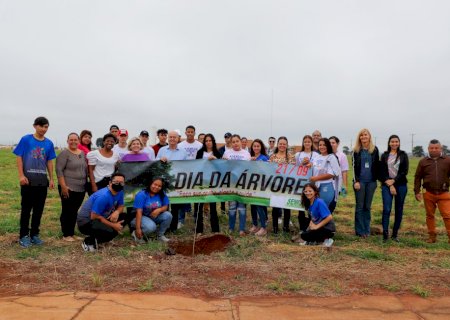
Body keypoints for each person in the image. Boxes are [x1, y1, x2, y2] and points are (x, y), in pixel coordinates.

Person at [13, 116, 56, 248]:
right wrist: (21, 175)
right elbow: (19, 157)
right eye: (41, 126)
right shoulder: (26, 139)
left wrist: (51, 178)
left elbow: (49, 161)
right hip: (28, 181)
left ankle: (34, 235)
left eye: (46, 127)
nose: (43, 129)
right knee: (26, 209)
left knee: (39, 210)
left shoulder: (49, 143)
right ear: (35, 126)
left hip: (42, 181)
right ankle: (23, 236)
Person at [77, 173, 126, 252]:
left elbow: (121, 206)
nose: (119, 184)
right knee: (110, 232)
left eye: (121, 182)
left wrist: (116, 212)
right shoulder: (103, 196)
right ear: (110, 183)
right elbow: (94, 216)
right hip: (86, 222)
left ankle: (101, 237)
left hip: (101, 217)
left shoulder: (120, 192)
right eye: (116, 182)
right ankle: (88, 241)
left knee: (124, 217)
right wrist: (113, 225)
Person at [414, 139, 450, 244]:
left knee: (447, 216)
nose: (434, 150)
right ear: (428, 149)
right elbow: (417, 177)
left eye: (436, 148)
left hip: (444, 193)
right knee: (430, 215)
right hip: (428, 193)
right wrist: (417, 191)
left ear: (440, 148)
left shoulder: (447, 160)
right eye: (431, 148)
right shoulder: (423, 161)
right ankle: (432, 237)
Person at [56, 133, 87, 242]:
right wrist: (63, 186)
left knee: (74, 211)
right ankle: (66, 234)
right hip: (68, 187)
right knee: (67, 210)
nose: (73, 141)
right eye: (71, 140)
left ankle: (71, 233)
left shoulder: (82, 153)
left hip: (81, 188)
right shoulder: (64, 153)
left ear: (79, 141)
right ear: (67, 141)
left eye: (75, 139)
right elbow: (59, 171)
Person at [156, 130, 188, 232]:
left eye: (174, 137)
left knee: (175, 206)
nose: (172, 139)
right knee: (164, 205)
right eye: (170, 137)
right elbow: (155, 163)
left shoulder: (183, 151)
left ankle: (173, 228)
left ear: (178, 138)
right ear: (168, 138)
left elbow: (187, 167)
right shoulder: (162, 150)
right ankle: (164, 227)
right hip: (164, 182)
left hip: (177, 182)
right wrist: (160, 161)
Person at [379, 135, 409, 242]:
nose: (394, 143)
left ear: (399, 143)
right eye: (392, 142)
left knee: (399, 209)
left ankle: (395, 234)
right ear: (389, 143)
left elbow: (404, 171)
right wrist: (390, 184)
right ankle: (385, 234)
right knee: (387, 209)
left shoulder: (403, 155)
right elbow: (381, 171)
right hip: (387, 184)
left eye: (396, 142)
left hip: (401, 185)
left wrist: (395, 181)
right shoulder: (384, 155)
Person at [352, 128, 380, 238]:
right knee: (360, 207)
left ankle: (366, 230)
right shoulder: (356, 150)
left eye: (366, 135)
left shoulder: (375, 149)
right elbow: (354, 167)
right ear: (359, 137)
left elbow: (377, 165)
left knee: (367, 207)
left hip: (371, 182)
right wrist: (356, 181)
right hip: (360, 182)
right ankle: (359, 231)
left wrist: (377, 179)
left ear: (369, 136)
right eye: (362, 135)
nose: (364, 137)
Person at [223, 134, 251, 236]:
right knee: (232, 207)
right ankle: (231, 228)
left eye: (237, 141)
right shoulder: (226, 153)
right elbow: (222, 168)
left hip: (243, 184)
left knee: (242, 208)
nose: (235, 143)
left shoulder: (246, 154)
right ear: (231, 143)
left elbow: (249, 169)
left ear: (240, 142)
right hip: (231, 184)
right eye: (233, 142)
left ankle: (242, 229)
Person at [194, 133, 222, 235]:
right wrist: (206, 160)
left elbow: (221, 168)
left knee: (213, 207)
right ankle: (198, 230)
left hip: (213, 183)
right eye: (206, 141)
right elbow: (196, 166)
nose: (208, 142)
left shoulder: (217, 153)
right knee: (198, 207)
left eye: (210, 140)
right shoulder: (199, 153)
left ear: (213, 142)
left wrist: (216, 160)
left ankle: (215, 230)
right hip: (201, 182)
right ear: (204, 142)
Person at [131, 177, 172, 243]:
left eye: (159, 186)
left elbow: (165, 207)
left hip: (153, 217)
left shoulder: (162, 194)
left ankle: (160, 236)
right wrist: (138, 229)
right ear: (150, 184)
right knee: (151, 227)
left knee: (168, 215)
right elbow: (139, 212)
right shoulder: (141, 194)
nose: (156, 187)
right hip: (139, 217)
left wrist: (159, 210)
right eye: (155, 184)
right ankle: (135, 234)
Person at [293, 135, 319, 237]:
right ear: (303, 143)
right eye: (305, 142)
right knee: (301, 207)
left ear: (311, 143)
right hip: (301, 183)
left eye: (309, 142)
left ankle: (310, 227)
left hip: (311, 184)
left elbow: (317, 166)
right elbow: (295, 168)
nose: (307, 143)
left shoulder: (316, 155)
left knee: (310, 207)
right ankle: (301, 228)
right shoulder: (298, 154)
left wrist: (311, 164)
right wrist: (301, 164)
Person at [269, 136, 295, 234]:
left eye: (284, 144)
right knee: (275, 207)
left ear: (287, 145)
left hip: (287, 186)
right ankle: (275, 227)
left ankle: (285, 227)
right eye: (280, 143)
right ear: (278, 144)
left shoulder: (291, 157)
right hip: (275, 186)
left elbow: (294, 172)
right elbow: (269, 171)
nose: (282, 145)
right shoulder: (272, 157)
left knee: (286, 207)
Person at [310, 138, 341, 211]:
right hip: (316, 186)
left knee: (323, 209)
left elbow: (332, 174)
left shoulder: (331, 157)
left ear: (328, 146)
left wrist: (316, 178)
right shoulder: (316, 157)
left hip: (327, 186)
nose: (322, 147)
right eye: (320, 145)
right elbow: (312, 168)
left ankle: (325, 222)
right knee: (316, 209)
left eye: (324, 145)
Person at [249, 139, 269, 236]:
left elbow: (266, 171)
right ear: (252, 147)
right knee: (252, 205)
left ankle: (263, 227)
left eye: (258, 146)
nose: (256, 148)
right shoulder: (250, 158)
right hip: (251, 185)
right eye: (254, 146)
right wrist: (250, 162)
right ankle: (255, 225)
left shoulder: (264, 158)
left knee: (259, 205)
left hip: (261, 186)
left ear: (261, 147)